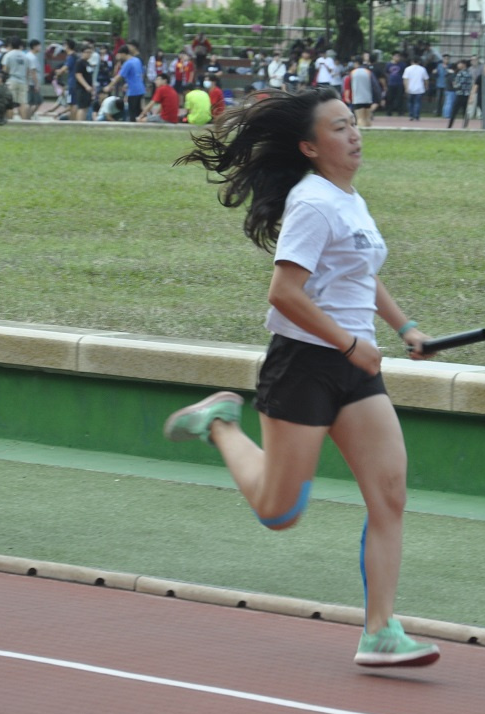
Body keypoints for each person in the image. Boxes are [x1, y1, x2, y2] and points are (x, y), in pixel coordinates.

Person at [171, 87, 442, 668]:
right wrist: (349, 343)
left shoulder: (349, 198)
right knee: (279, 513)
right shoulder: (314, 203)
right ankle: (220, 423)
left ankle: (380, 632)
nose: (354, 134)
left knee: (389, 494)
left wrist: (405, 327)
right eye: (339, 128)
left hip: (355, 367)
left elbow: (359, 272)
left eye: (354, 123)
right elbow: (284, 293)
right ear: (309, 147)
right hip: (305, 365)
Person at [401, 57, 426, 121]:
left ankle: (411, 115)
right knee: (417, 103)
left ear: (412, 61)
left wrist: (406, 88)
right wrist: (426, 86)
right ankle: (416, 115)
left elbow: (405, 79)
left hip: (410, 89)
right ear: (419, 62)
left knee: (410, 103)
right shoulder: (422, 69)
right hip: (419, 89)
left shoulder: (407, 69)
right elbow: (426, 79)